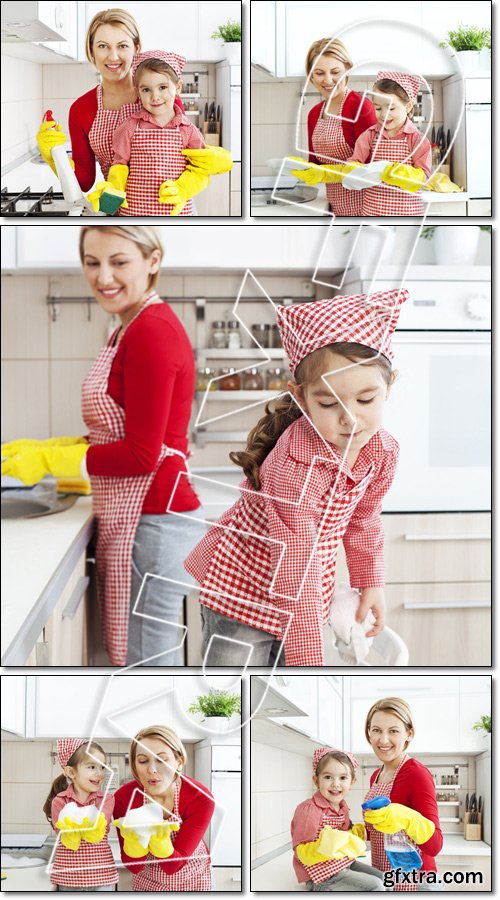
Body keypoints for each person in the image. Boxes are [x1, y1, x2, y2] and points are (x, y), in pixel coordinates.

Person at [1, 226, 205, 668]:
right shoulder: (128, 327)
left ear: (153, 261)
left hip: (155, 521)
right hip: (145, 516)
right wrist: (56, 447)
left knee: (147, 667)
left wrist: (53, 459)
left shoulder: (150, 330)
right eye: (92, 262)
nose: (103, 276)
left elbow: (140, 454)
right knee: (138, 663)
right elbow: (122, 432)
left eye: (119, 261)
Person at [184, 288, 407, 667]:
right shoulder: (294, 464)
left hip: (301, 594)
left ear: (389, 387)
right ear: (301, 398)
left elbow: (364, 519)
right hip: (241, 592)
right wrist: (308, 662)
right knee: (235, 698)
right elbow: (295, 562)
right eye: (328, 403)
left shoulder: (382, 451)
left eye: (366, 400)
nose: (350, 418)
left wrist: (371, 582)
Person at [36, 8, 184, 191]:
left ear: (136, 48)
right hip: (118, 214)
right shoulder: (81, 109)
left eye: (122, 46)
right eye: (102, 46)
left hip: (170, 210)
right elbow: (84, 182)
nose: (113, 56)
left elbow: (186, 159)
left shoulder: (162, 96)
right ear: (91, 50)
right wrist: (54, 156)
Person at [88, 53, 232, 217]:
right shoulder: (129, 127)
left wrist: (183, 189)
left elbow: (198, 170)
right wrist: (114, 189)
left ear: (177, 87)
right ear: (138, 92)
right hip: (134, 214)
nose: (155, 96)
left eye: (162, 87)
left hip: (175, 214)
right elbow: (119, 165)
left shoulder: (188, 130)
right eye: (146, 90)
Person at [113, 725, 215, 891]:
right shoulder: (124, 798)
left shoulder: (200, 798)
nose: (152, 770)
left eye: (161, 760)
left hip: (195, 881)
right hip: (147, 884)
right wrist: (134, 844)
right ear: (134, 765)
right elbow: (134, 867)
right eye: (143, 761)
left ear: (179, 762)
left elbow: (173, 866)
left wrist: (156, 839)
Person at [363, 698, 443, 891]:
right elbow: (380, 831)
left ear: (409, 733)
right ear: (368, 733)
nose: (383, 740)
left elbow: (435, 845)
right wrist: (354, 831)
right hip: (386, 878)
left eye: (393, 731)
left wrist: (408, 818)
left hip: (416, 883)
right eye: (376, 730)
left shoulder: (416, 773)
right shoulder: (376, 774)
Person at [299, 38, 377, 216]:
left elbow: (371, 168)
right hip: (335, 208)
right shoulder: (314, 114)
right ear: (311, 75)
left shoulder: (360, 107)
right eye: (319, 73)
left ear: (348, 69)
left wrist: (327, 173)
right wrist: (301, 169)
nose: (328, 80)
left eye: (335, 72)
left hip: (365, 209)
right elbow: (316, 163)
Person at [291, 747, 385, 891]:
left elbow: (344, 837)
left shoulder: (342, 807)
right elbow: (301, 852)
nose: (336, 784)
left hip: (342, 864)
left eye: (343, 778)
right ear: (316, 780)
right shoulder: (309, 810)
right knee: (376, 886)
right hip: (322, 877)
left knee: (386, 879)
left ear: (352, 781)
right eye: (328, 777)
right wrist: (326, 846)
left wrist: (357, 833)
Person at [347, 72, 432, 216]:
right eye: (378, 108)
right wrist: (355, 173)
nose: (384, 114)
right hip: (372, 213)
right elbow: (354, 163)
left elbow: (423, 176)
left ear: (409, 106)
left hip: (407, 215)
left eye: (391, 108)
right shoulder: (369, 135)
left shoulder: (417, 139)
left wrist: (403, 174)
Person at [43, 738, 117, 891]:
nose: (100, 773)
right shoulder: (59, 801)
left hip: (101, 876)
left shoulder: (107, 799)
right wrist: (83, 826)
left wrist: (76, 826)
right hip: (69, 876)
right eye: (91, 766)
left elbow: (97, 832)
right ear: (71, 772)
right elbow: (66, 837)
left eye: (102, 767)